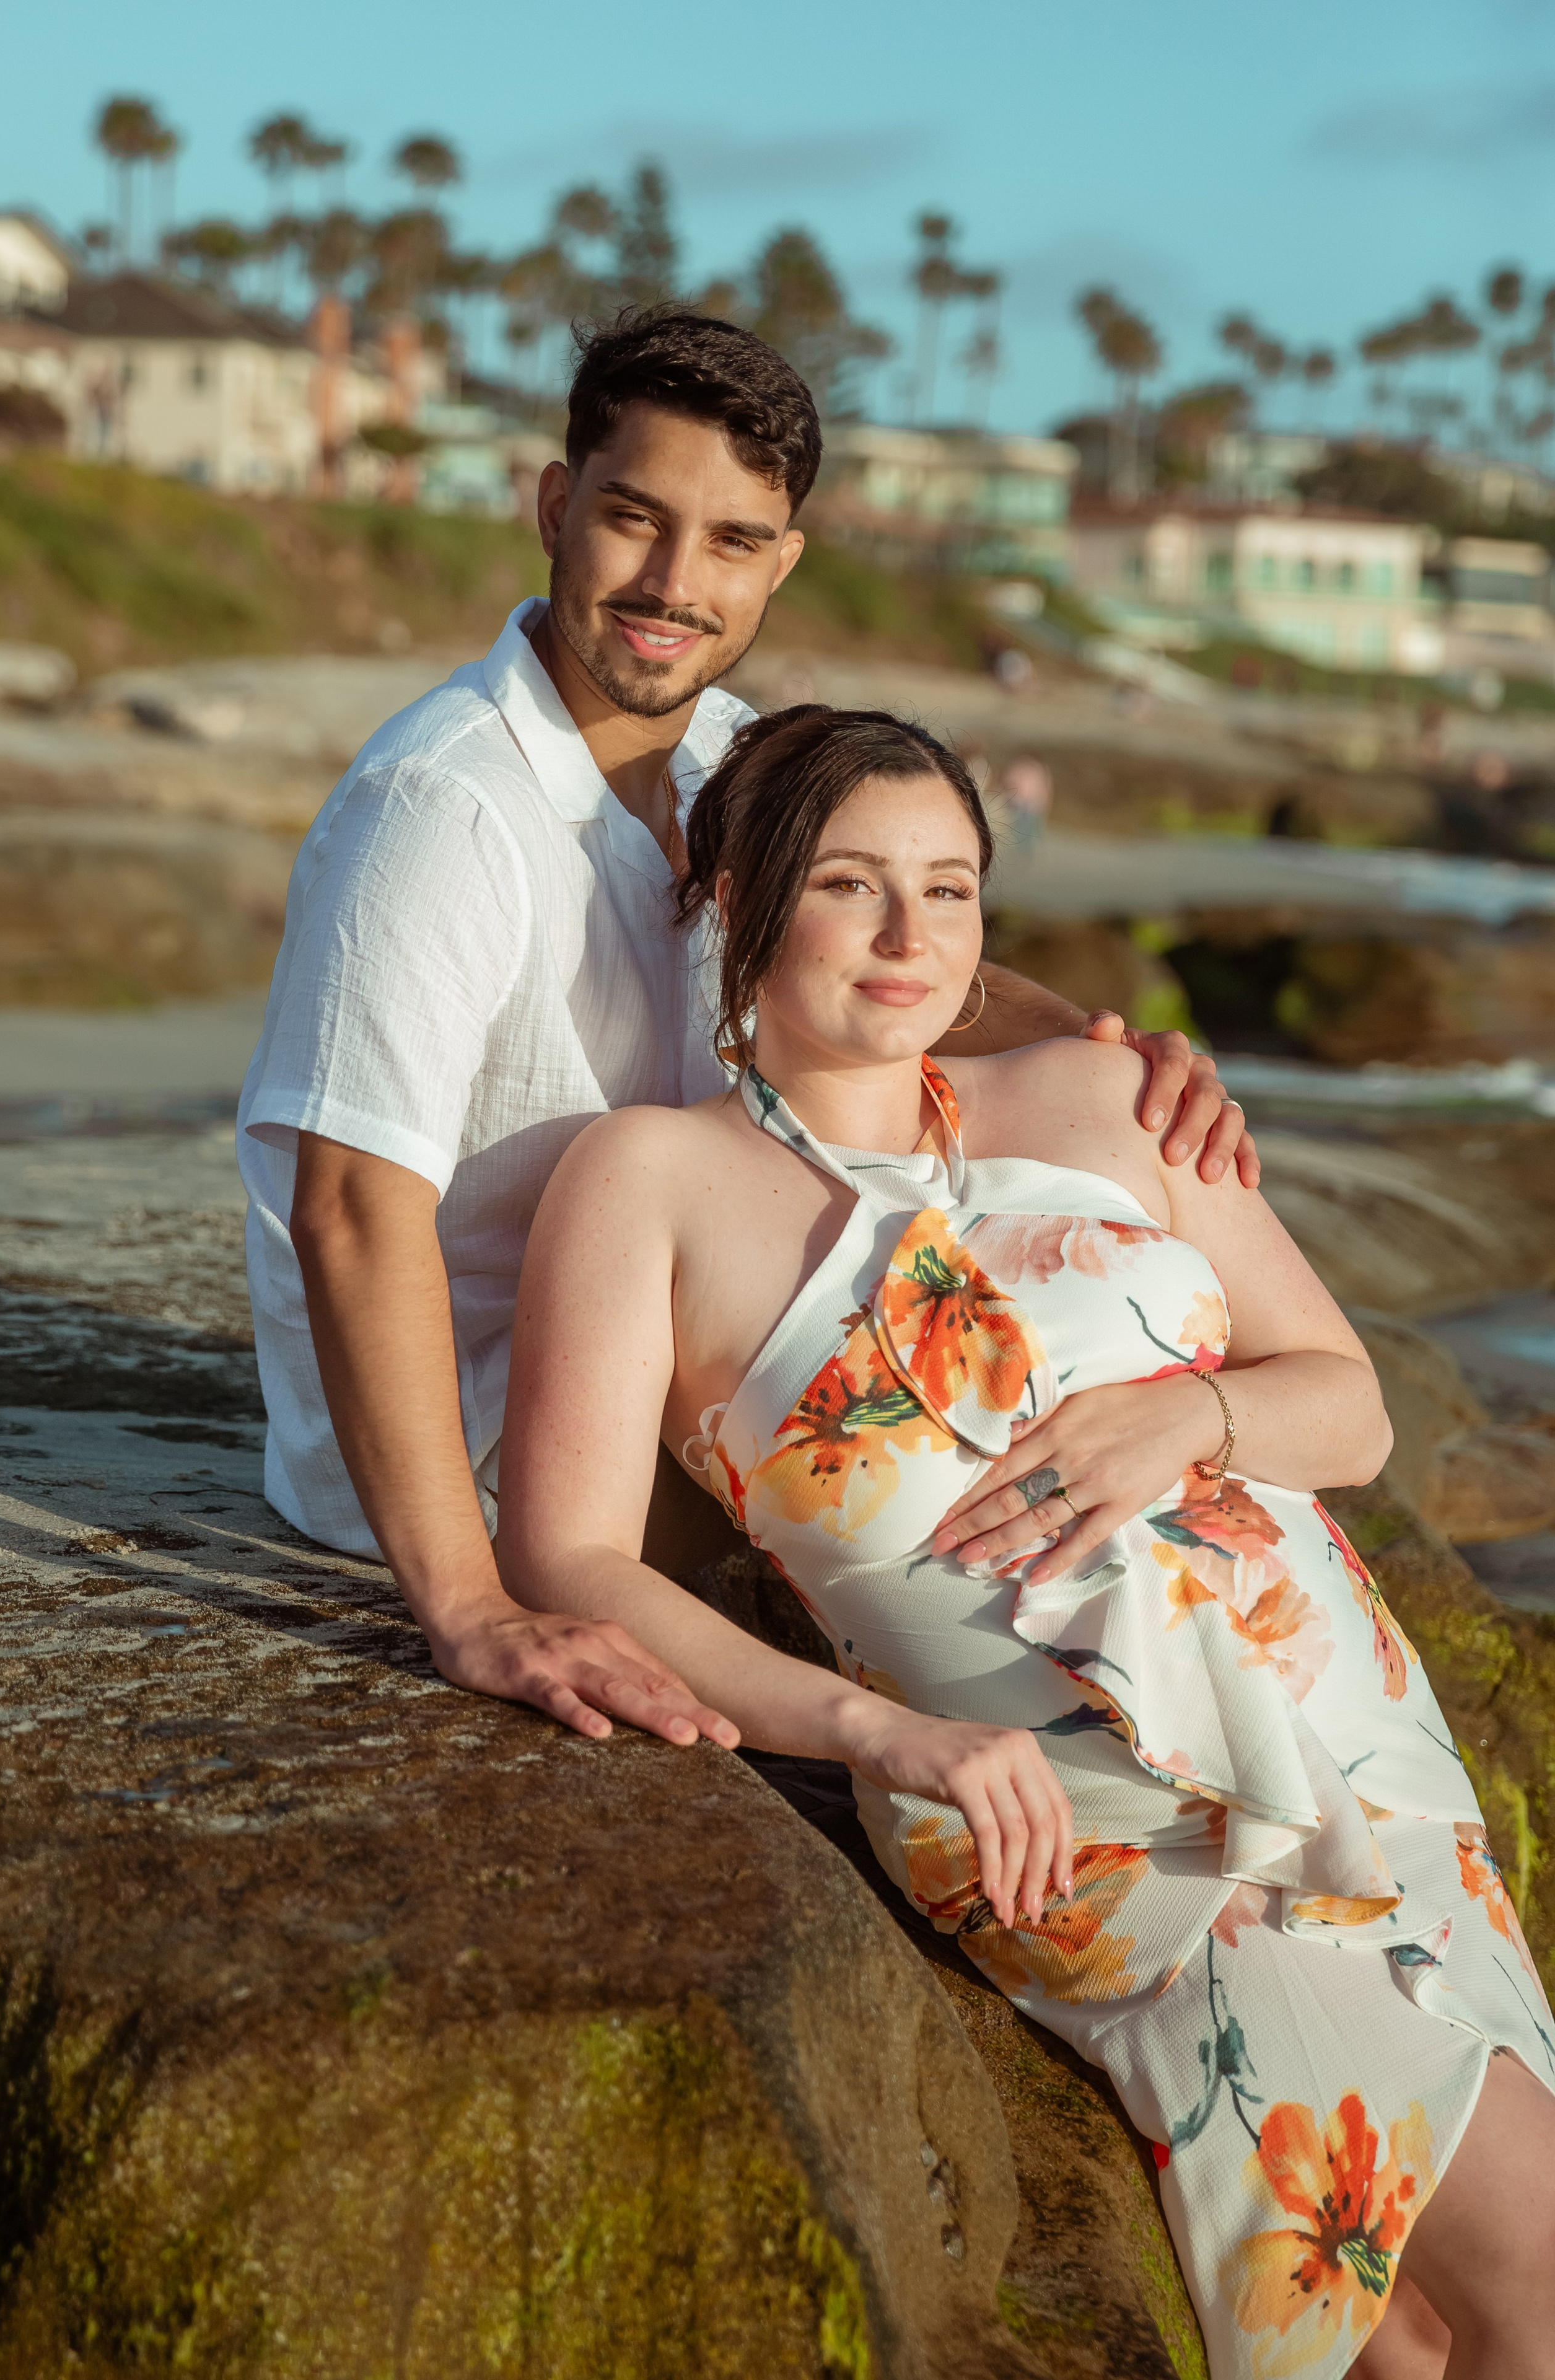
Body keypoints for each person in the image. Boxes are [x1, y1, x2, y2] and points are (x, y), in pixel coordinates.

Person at [496, 704, 1555, 2380]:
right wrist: (874, 1730)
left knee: (1448, 2320)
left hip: (1349, 1740)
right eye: (853, 886)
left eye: (953, 889)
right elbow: (569, 1557)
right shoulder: (647, 1184)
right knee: (1482, 2290)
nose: (915, 939)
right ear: (732, 908)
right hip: (1094, 1827)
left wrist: (1184, 1420)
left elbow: (1348, 1408)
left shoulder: (1108, 1096)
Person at [237, 307, 1258, 1747]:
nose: (671, 584)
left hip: (672, 1339)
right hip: (472, 1437)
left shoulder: (727, 756)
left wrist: (1123, 1056)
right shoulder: (444, 812)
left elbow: (893, 969)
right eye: (632, 519)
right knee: (973, 1488)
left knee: (1081, 1379)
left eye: (729, 543)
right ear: (553, 505)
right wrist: (468, 1610)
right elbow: (349, 1206)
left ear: (780, 561)